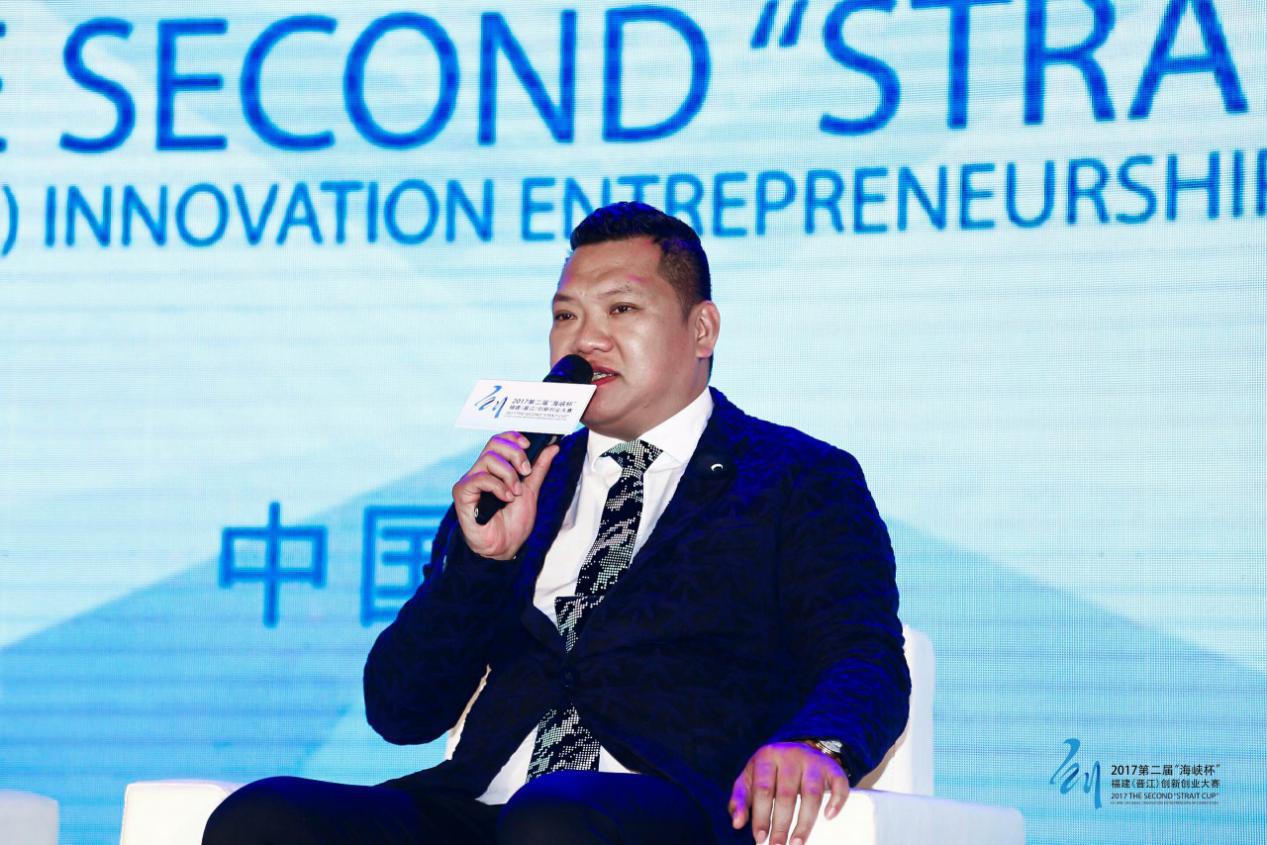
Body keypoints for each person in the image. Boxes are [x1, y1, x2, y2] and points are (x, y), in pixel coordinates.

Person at [203, 202, 909, 845]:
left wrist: (815, 743)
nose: (586, 340)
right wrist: (483, 563)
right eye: (566, 316)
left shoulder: (795, 476)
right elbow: (400, 710)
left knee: (555, 816)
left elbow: (863, 654)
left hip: (670, 807)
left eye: (621, 309)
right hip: (480, 807)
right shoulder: (522, 475)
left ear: (701, 329)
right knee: (264, 816)